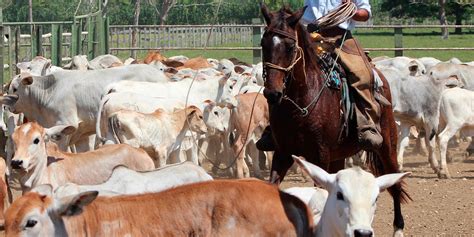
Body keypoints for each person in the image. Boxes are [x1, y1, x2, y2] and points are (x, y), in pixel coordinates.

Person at [257, 0, 386, 151]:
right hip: (310, 37)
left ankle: (367, 124)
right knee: (285, 72)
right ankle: (274, 128)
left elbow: (365, 13)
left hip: (341, 37)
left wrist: (352, 11)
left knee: (362, 74)